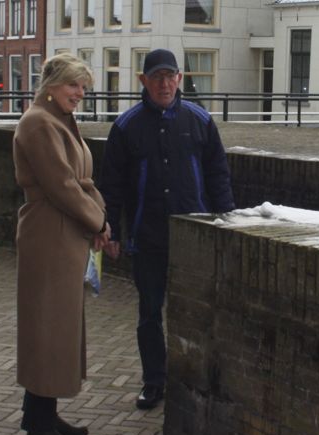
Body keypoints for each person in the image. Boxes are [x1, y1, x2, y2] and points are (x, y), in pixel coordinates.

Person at [99, 48, 235, 410]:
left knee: (198, 309)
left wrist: (226, 221)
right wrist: (109, 229)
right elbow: (111, 185)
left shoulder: (200, 120)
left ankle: (196, 378)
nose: (164, 83)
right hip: (148, 235)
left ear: (179, 78)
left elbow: (218, 175)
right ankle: (154, 380)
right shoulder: (126, 127)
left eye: (170, 76)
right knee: (149, 312)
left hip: (196, 235)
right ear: (143, 81)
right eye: (156, 77)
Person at [13, 53, 110, 435]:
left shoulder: (55, 120)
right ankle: (39, 427)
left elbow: (78, 181)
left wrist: (98, 220)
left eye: (83, 87)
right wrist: (96, 221)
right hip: (50, 233)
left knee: (57, 327)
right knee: (48, 329)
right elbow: (62, 185)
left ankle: (43, 414)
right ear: (52, 84)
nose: (80, 93)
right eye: (73, 85)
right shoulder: (38, 123)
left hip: (64, 232)